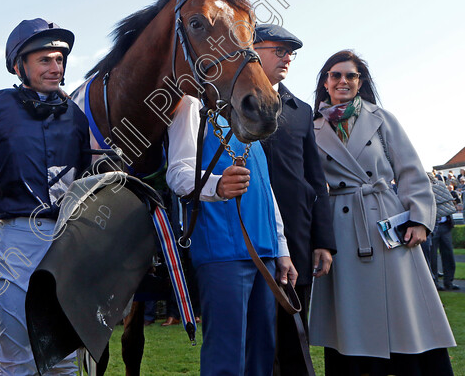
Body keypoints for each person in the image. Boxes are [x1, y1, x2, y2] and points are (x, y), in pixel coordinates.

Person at [309, 50, 455, 375]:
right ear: (325, 82)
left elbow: (410, 170)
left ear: (360, 83)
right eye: (336, 75)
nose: (343, 81)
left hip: (389, 224)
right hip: (342, 228)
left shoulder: (381, 118)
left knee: (405, 309)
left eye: (351, 75)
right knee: (352, 314)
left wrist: (419, 219)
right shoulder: (313, 127)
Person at [0, 18, 90, 375]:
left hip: (66, 239)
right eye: (45, 60)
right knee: (16, 356)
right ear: (20, 65)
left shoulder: (76, 116)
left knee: (62, 359)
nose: (55, 68)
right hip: (18, 238)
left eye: (59, 60)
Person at [166, 95, 297, 376]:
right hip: (222, 250)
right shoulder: (191, 104)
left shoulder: (247, 110)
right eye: (278, 49)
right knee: (226, 360)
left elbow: (264, 187)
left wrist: (281, 248)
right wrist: (217, 185)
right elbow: (178, 173)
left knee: (261, 357)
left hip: (265, 251)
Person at [252, 24, 336, 375]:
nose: (287, 58)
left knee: (292, 337)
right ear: (252, 50)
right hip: (246, 238)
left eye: (291, 52)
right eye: (279, 50)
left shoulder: (301, 110)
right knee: (252, 341)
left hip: (297, 240)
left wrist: (323, 242)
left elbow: (316, 180)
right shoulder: (224, 104)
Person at [427, 173, 459, 291]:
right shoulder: (421, 189)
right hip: (432, 226)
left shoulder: (440, 186)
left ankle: (448, 282)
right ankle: (435, 284)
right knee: (432, 257)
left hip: (445, 225)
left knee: (448, 254)